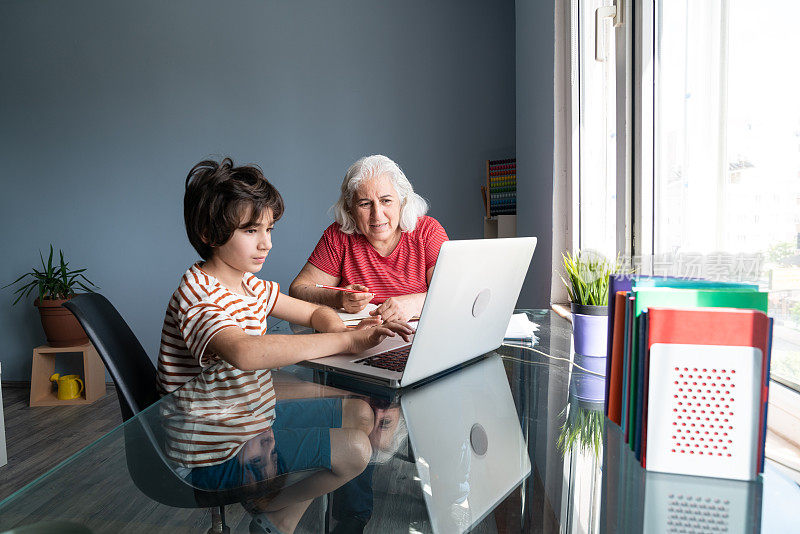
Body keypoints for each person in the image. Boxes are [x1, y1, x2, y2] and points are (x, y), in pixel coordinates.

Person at [156, 158, 413, 534]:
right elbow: (245, 352)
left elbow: (312, 313)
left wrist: (335, 321)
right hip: (212, 452)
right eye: (251, 230)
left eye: (269, 229)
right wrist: (344, 339)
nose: (267, 243)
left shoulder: (249, 285)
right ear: (209, 233)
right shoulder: (198, 296)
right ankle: (274, 509)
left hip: (252, 423)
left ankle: (273, 515)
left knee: (360, 413)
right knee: (355, 451)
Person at [289, 154, 449, 323]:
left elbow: (453, 291)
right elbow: (298, 289)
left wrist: (415, 304)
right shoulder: (338, 236)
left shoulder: (428, 231)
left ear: (402, 202)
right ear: (350, 208)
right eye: (365, 204)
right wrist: (338, 298)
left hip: (415, 344)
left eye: (386, 200)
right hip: (354, 345)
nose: (377, 215)